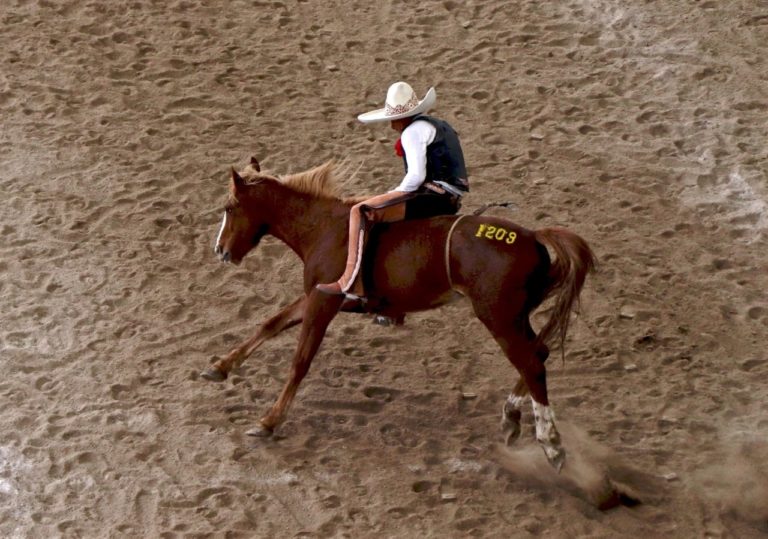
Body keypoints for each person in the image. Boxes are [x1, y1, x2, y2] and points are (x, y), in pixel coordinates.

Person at [316, 81, 469, 299]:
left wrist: (393, 193)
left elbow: (415, 176)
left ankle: (350, 283)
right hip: (449, 194)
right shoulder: (436, 125)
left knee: (359, 211)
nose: (391, 125)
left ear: (401, 117)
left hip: (434, 196)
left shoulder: (412, 132)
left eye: (393, 120)